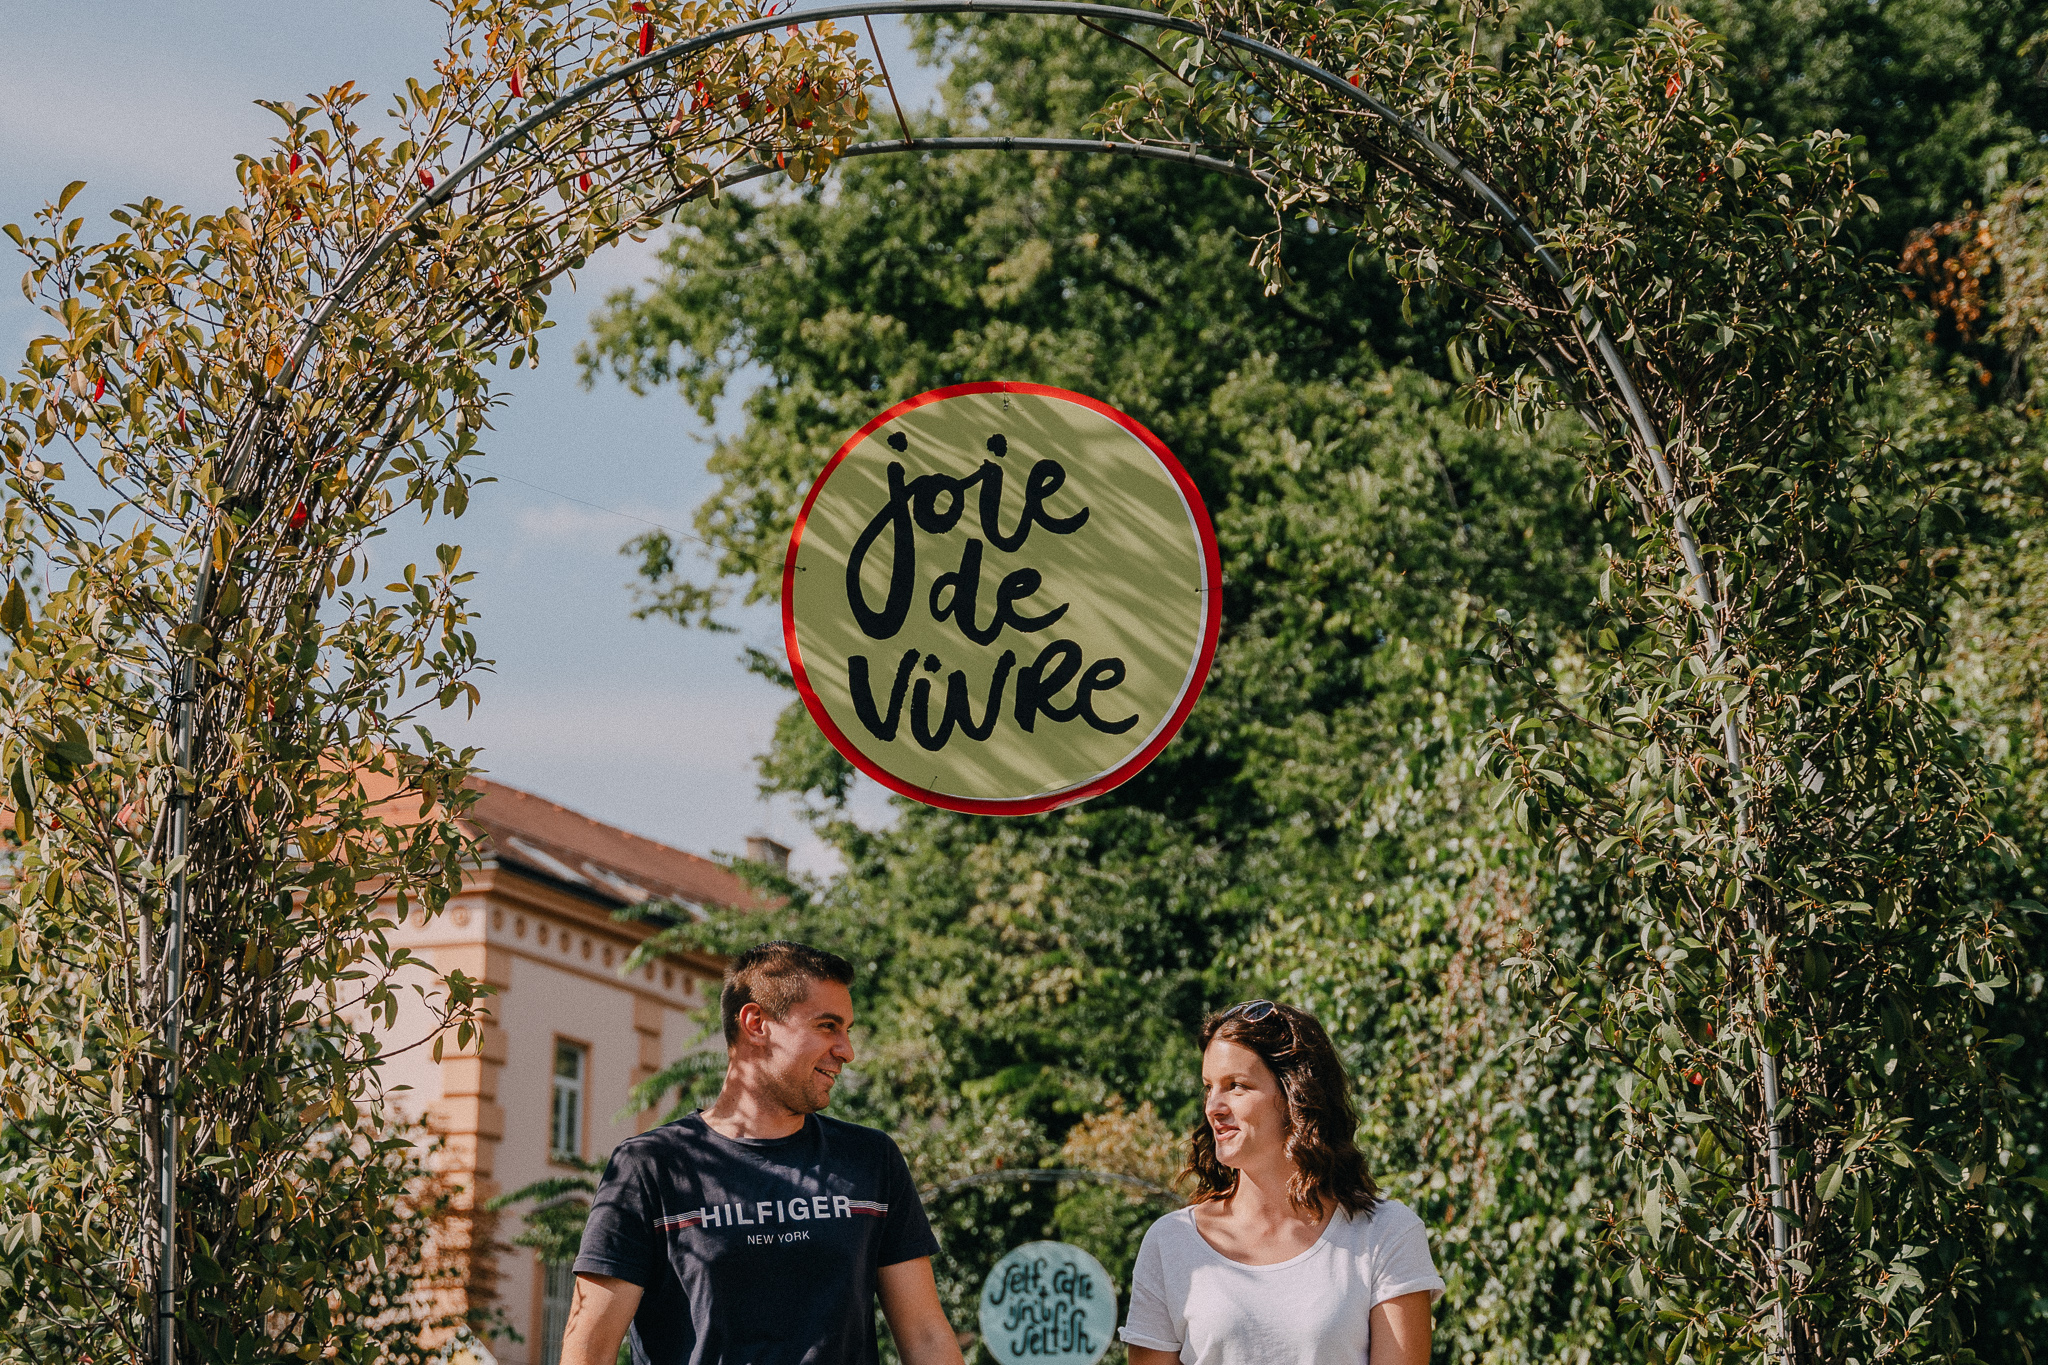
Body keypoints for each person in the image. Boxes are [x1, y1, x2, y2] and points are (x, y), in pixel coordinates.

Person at [559, 940, 964, 1365]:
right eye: (828, 1026)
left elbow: (926, 1337)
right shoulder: (652, 1167)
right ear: (756, 1024)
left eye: (846, 1030)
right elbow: (589, 1347)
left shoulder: (870, 1160)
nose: (847, 1050)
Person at [1120, 1000, 1443, 1365]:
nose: (1213, 1107)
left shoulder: (1386, 1234)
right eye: (1209, 1087)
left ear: (1297, 1096)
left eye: (1236, 1086)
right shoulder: (1171, 1242)